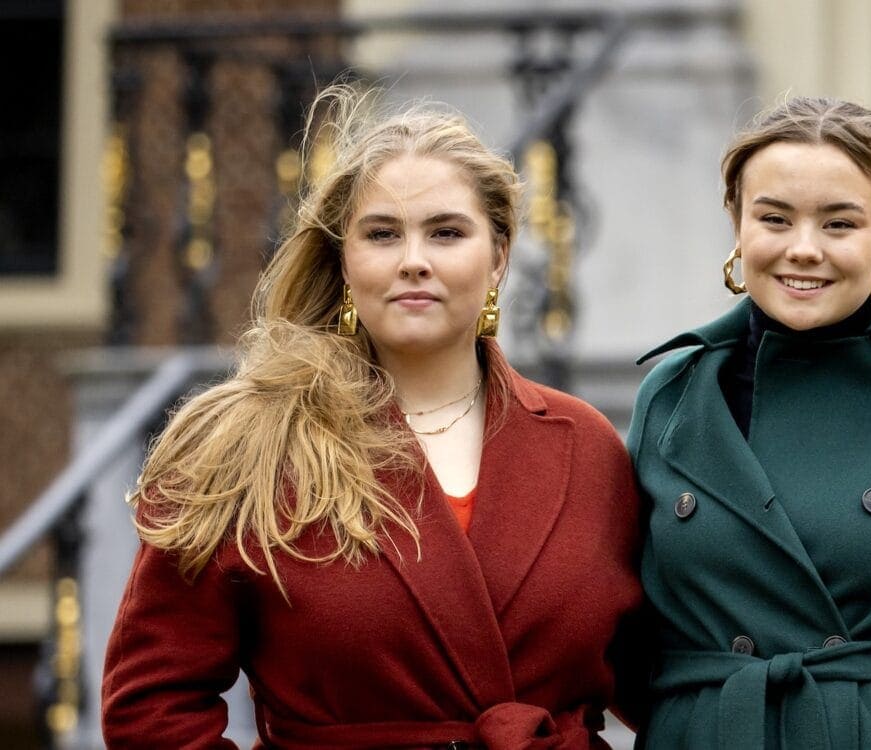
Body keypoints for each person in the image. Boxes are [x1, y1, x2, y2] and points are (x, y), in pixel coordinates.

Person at [100, 86, 642, 748]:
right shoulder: (247, 443)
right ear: (345, 262)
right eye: (383, 234)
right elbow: (151, 706)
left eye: (446, 232)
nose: (414, 258)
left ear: (498, 256)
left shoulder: (586, 447)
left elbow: (660, 677)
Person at [625, 96, 871, 749]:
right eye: (774, 218)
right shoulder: (672, 394)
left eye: (839, 224)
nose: (803, 250)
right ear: (737, 222)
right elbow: (623, 614)